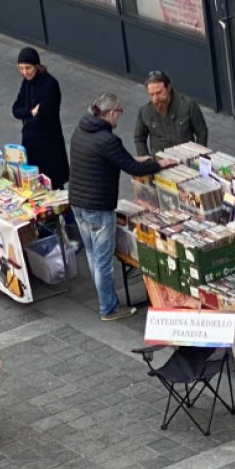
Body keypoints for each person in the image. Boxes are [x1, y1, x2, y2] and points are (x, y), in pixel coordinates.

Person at [68, 93, 169, 322]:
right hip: (98, 206)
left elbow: (119, 159)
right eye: (120, 112)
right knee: (103, 260)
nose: (119, 118)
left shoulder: (81, 129)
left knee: (93, 255)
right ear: (111, 113)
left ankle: (106, 300)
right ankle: (108, 308)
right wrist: (157, 165)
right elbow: (132, 167)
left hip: (77, 203)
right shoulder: (107, 139)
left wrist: (140, 160)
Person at [10, 47, 69, 189]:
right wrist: (31, 112)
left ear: (36, 65)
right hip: (31, 145)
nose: (25, 72)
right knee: (36, 187)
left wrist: (28, 115)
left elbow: (43, 116)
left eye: (28, 68)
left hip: (48, 145)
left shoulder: (50, 85)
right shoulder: (26, 83)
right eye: (21, 69)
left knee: (54, 188)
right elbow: (15, 109)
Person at [132, 69, 208, 157]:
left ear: (168, 88)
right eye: (152, 94)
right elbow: (139, 139)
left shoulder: (188, 106)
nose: (155, 99)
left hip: (186, 159)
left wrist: (197, 157)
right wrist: (146, 161)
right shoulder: (144, 111)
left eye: (159, 93)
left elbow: (202, 133)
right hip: (160, 162)